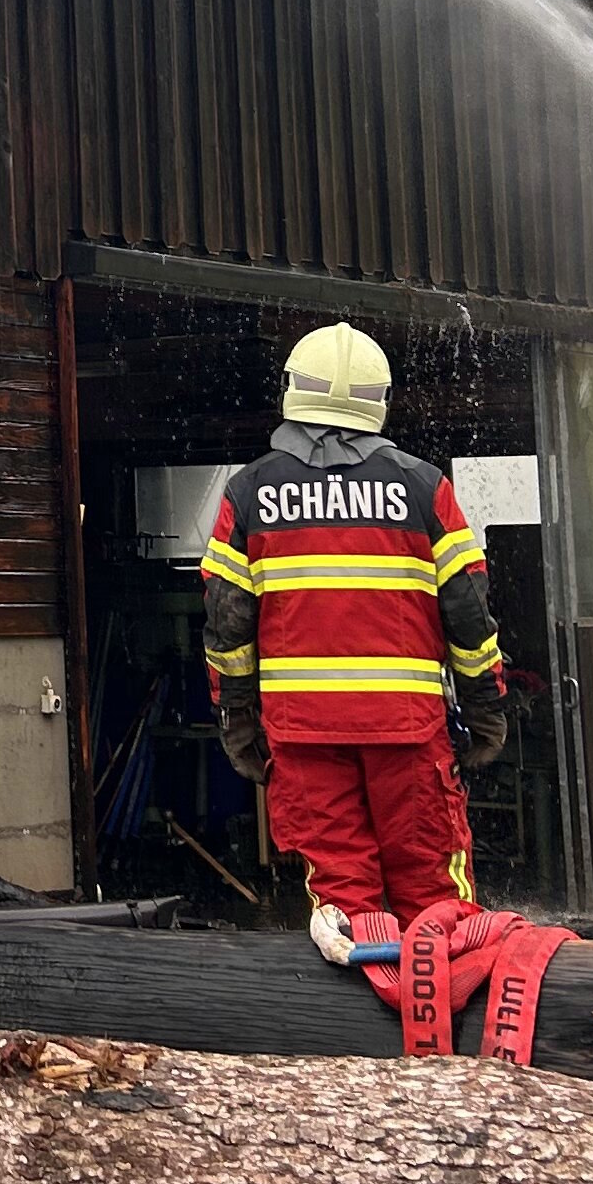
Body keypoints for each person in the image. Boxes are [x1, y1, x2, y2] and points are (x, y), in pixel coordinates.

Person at [201, 323, 511, 964]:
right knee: (435, 900)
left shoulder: (250, 494)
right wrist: (484, 711)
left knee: (348, 909)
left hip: (304, 735)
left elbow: (227, 625)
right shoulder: (425, 490)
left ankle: (369, 1040)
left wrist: (237, 720)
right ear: (379, 400)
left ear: (293, 392)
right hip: (406, 729)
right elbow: (470, 616)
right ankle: (444, 1035)